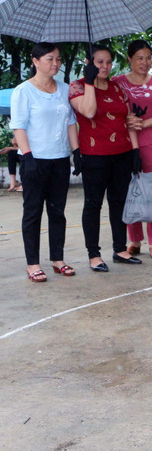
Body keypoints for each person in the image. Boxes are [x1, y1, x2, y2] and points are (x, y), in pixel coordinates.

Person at [11, 43, 80, 281]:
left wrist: (76, 151)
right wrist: (27, 155)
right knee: (33, 212)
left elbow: (70, 122)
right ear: (35, 61)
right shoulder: (24, 91)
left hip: (59, 159)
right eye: (50, 59)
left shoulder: (64, 89)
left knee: (57, 212)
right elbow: (18, 126)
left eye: (58, 59)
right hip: (34, 159)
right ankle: (32, 264)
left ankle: (57, 259)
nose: (56, 64)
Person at [69, 45, 142, 272]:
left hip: (121, 153)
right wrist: (90, 83)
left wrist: (135, 150)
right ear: (89, 62)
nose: (105, 66)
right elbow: (88, 111)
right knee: (93, 204)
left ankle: (120, 249)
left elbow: (128, 118)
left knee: (119, 201)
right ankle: (94, 254)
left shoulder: (117, 87)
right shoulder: (77, 87)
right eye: (99, 62)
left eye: (108, 62)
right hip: (94, 156)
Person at [116, 40, 152, 260]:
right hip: (125, 143)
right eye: (140, 57)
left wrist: (144, 123)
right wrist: (128, 121)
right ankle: (134, 240)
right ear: (129, 58)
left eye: (148, 57)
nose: (145, 62)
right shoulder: (118, 82)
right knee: (130, 191)